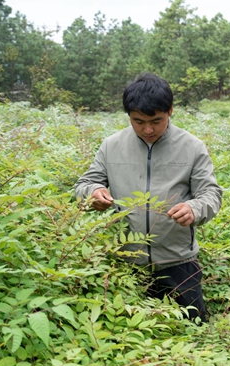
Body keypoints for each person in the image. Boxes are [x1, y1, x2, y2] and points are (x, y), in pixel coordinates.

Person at [74, 73, 222, 322]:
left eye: (157, 120)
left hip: (178, 263)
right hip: (126, 264)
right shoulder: (111, 145)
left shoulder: (192, 147)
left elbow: (211, 194)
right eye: (138, 121)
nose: (148, 129)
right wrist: (93, 193)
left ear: (170, 110)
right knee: (130, 332)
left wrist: (194, 208)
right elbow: (85, 184)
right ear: (129, 116)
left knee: (193, 331)